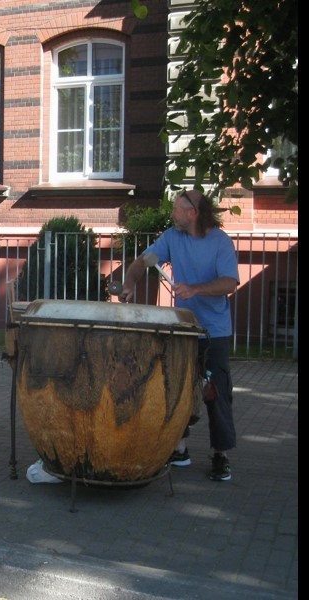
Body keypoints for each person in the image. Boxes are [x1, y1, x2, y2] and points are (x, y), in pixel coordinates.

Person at [119, 189, 239, 482]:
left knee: (215, 392)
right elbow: (143, 262)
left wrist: (195, 289)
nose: (172, 213)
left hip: (215, 332)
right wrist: (130, 282)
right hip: (184, 328)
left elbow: (229, 282)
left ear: (193, 213)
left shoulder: (221, 243)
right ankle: (180, 450)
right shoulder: (173, 237)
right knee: (177, 388)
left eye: (177, 208)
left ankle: (220, 456)